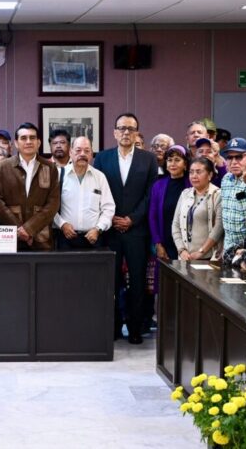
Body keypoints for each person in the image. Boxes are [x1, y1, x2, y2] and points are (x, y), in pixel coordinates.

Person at [93, 113, 158, 345]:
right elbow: (96, 192)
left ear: (137, 132)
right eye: (122, 128)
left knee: (137, 282)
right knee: (111, 281)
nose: (126, 132)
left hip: (136, 230)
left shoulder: (148, 159)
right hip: (109, 230)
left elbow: (151, 194)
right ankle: (113, 328)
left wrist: (132, 219)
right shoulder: (102, 158)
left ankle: (135, 328)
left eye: (131, 128)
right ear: (114, 132)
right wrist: (110, 218)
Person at [0, 123, 60, 252]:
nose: (28, 141)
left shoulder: (50, 168)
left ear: (38, 142)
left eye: (32, 138)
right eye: (23, 138)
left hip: (41, 238)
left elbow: (53, 203)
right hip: (10, 237)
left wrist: (29, 229)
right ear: (16, 143)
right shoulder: (3, 167)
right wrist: (20, 230)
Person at [53, 136, 115, 250]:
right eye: (78, 150)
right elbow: (49, 207)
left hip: (94, 238)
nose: (82, 154)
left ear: (91, 154)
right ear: (70, 152)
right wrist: (62, 224)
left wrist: (98, 228)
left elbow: (108, 208)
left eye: (87, 151)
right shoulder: (58, 175)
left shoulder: (100, 177)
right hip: (65, 238)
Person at [172, 157, 223, 260]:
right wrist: (181, 250)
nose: (194, 176)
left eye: (199, 172)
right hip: (185, 256)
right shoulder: (185, 194)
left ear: (210, 175)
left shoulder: (218, 194)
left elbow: (219, 227)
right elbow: (175, 224)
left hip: (209, 257)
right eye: (191, 172)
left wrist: (201, 251)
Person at [149, 145, 190, 260]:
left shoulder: (192, 184)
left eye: (177, 160)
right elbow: (152, 216)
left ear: (185, 164)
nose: (173, 164)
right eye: (170, 160)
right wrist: (158, 243)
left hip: (188, 244)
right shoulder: (158, 185)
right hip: (165, 242)